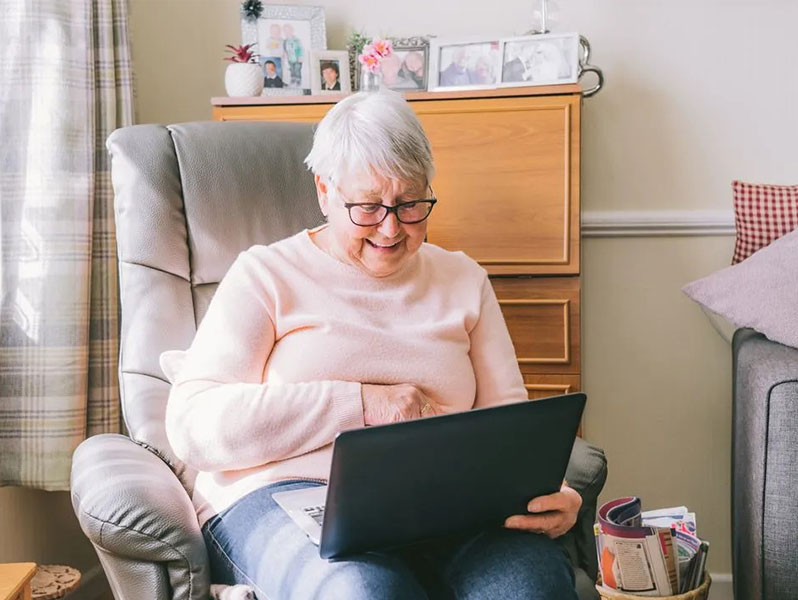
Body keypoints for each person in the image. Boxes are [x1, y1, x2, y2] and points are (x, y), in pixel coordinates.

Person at [162, 90, 582, 600]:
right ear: (324, 191)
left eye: (410, 205)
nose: (390, 228)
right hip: (288, 495)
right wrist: (362, 404)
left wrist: (551, 494)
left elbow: (509, 431)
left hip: (445, 503)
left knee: (529, 588)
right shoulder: (266, 274)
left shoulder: (463, 278)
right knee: (364, 592)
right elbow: (195, 425)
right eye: (367, 207)